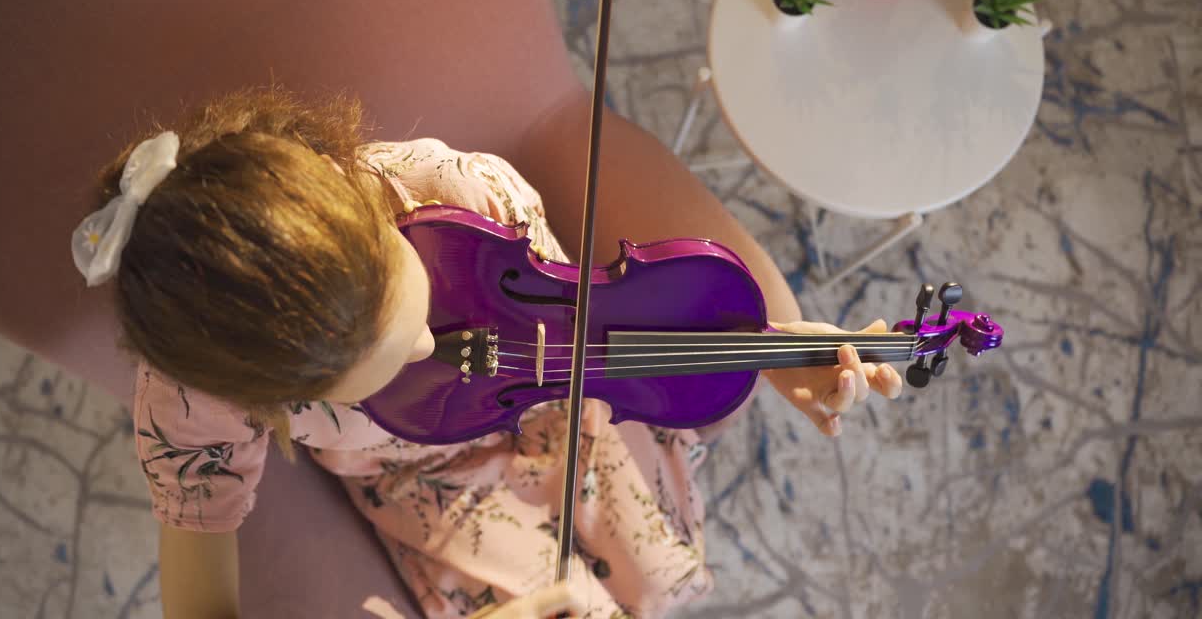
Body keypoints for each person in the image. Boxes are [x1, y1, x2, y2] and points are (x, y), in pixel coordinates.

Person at [72, 88, 903, 618]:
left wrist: (769, 349)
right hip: (425, 481)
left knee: (655, 577)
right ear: (274, 396)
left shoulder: (453, 192)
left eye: (413, 306)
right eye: (392, 361)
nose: (437, 346)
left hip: (555, 398)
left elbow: (588, 325)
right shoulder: (195, 396)